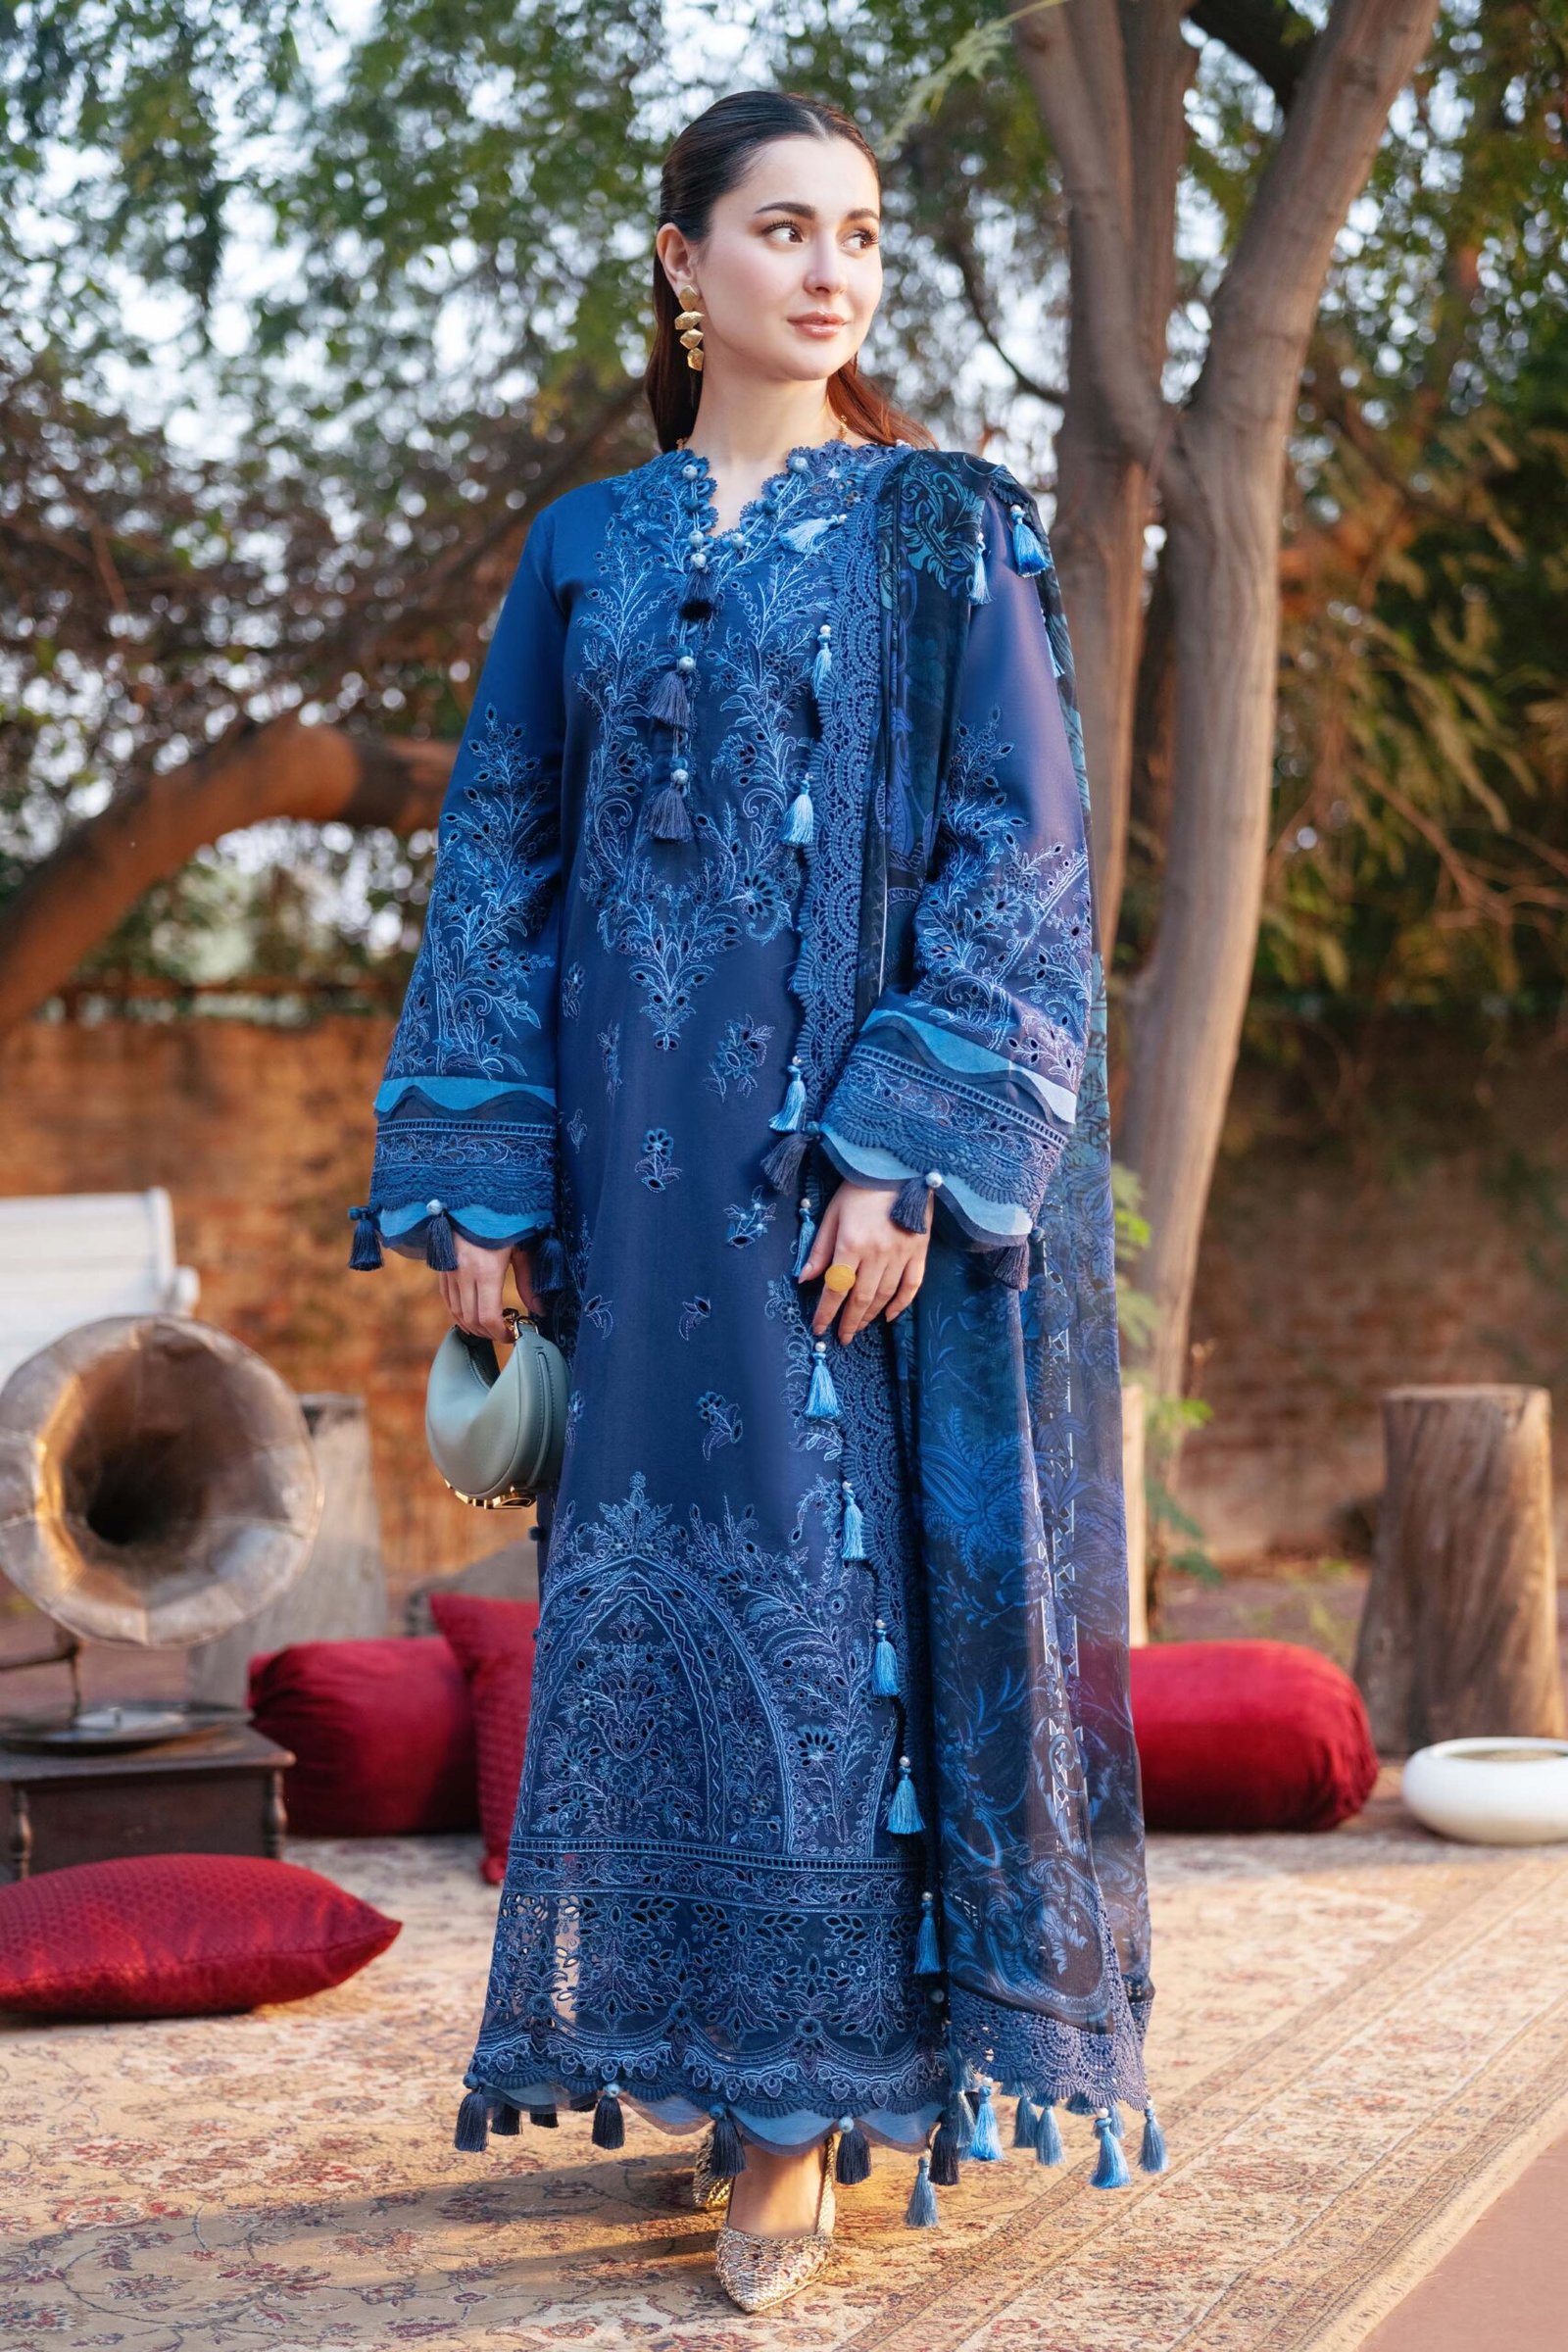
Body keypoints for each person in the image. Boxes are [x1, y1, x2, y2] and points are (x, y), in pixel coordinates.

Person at [350, 86, 1160, 2315]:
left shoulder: (940, 530)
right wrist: (483, 1180)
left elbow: (1019, 849)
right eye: (784, 228)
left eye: (860, 235)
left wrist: (905, 1152)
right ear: (681, 261)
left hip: (834, 1201)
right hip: (630, 1204)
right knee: (646, 1613)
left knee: (823, 1609)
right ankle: (723, 2061)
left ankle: (801, 2115)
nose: (831, 270)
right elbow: (496, 862)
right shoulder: (583, 551)